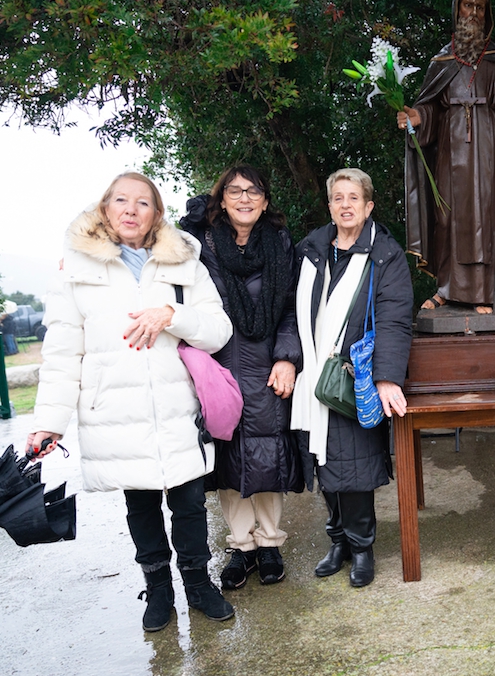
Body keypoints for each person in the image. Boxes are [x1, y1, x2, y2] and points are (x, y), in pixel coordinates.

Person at [28, 172, 235, 632]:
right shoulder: (77, 270)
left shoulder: (185, 263)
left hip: (178, 407)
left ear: (156, 214)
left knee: (190, 504)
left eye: (142, 203)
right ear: (105, 209)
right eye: (120, 200)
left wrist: (172, 315)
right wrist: (49, 422)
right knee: (140, 506)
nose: (130, 210)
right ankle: (159, 590)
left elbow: (219, 330)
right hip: (118, 412)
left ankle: (199, 585)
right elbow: (62, 353)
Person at [179, 166, 303, 591]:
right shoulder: (201, 244)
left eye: (254, 191)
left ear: (265, 201)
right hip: (221, 365)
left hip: (269, 363)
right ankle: (240, 547)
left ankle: (269, 543)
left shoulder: (280, 244)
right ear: (222, 198)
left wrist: (287, 357)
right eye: (235, 191)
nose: (245, 198)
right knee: (230, 457)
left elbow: (291, 307)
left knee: (270, 453)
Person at [291, 168, 413, 587]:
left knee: (354, 469)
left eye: (353, 198)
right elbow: (293, 312)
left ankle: (362, 548)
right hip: (313, 374)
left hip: (350, 376)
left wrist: (387, 378)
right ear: (330, 206)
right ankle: (338, 540)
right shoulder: (312, 250)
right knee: (324, 464)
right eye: (338, 198)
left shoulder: (385, 254)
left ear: (368, 206)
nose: (345, 205)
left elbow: (396, 319)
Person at [398, 0, 495, 311]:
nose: (474, 12)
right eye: (468, 5)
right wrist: (419, 117)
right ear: (456, 10)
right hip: (450, 150)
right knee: (447, 216)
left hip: (490, 149)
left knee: (488, 215)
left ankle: (487, 291)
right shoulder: (442, 60)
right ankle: (446, 288)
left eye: (481, 7)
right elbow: (431, 106)